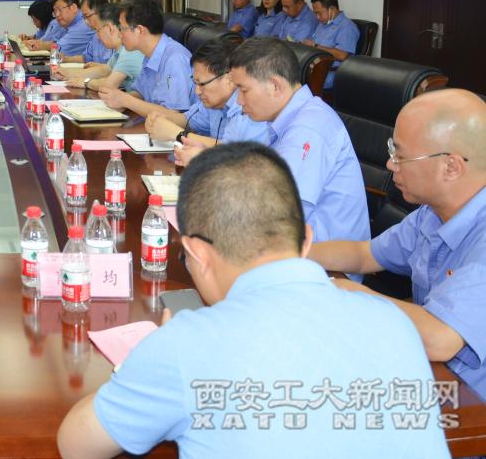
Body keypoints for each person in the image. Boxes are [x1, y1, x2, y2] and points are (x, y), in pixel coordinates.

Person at [57, 142, 449, 459]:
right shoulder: (394, 323)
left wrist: (142, 359)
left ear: (196, 254)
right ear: (306, 241)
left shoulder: (186, 345)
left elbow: (75, 445)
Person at [308, 89, 486, 400]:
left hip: (467, 406)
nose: (390, 165)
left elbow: (440, 339)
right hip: (424, 369)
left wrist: (350, 294)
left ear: (451, 167)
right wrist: (292, 254)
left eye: (401, 155)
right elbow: (364, 255)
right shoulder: (433, 214)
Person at [229, 37, 369, 246]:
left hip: (324, 259)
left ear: (275, 86)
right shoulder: (290, 117)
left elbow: (279, 214)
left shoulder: (308, 128)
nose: (239, 100)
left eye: (243, 90)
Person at [143, 39, 269, 164]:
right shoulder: (213, 103)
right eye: (195, 83)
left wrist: (177, 134)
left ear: (229, 79)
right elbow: (187, 119)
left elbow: (233, 152)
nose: (197, 91)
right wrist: (160, 120)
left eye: (202, 84)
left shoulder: (248, 106)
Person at [97, 0, 194, 117]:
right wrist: (118, 99)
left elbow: (173, 115)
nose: (119, 35)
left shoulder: (175, 59)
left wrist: (126, 100)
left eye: (121, 28)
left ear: (139, 30)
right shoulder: (149, 54)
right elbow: (141, 94)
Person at [52, 3, 143, 92]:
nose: (98, 37)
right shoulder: (119, 50)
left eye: (97, 30)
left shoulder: (130, 51)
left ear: (109, 28)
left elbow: (109, 84)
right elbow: (104, 71)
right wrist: (67, 73)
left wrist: (86, 82)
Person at [302, 0, 361, 89]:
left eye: (319, 13)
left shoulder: (347, 27)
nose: (317, 17)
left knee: (292, 83)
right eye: (315, 13)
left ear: (332, 9)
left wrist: (315, 46)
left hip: (329, 74)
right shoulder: (322, 24)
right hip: (313, 69)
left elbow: (342, 55)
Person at [24, 0, 95, 57]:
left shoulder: (83, 25)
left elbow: (60, 49)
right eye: (55, 11)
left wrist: (39, 45)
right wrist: (37, 43)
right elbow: (54, 41)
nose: (57, 15)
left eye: (60, 9)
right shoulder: (67, 25)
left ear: (73, 7)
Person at [60, 0, 113, 65]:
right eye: (84, 17)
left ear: (100, 12)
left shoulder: (115, 35)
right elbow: (86, 57)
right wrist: (66, 59)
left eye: (87, 16)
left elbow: (112, 68)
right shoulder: (95, 35)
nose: (86, 22)